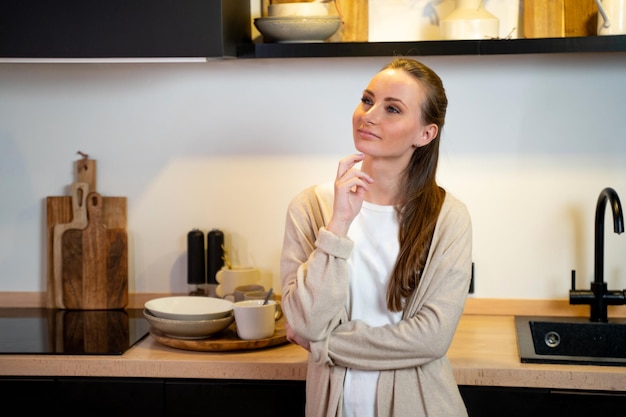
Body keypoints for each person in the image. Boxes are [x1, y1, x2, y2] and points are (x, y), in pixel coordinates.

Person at [279, 57, 472, 417]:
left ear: (425, 134)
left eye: (392, 109)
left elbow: (431, 338)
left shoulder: (449, 218)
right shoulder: (310, 208)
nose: (369, 115)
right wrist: (338, 224)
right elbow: (306, 321)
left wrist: (324, 345)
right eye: (367, 101)